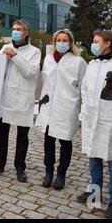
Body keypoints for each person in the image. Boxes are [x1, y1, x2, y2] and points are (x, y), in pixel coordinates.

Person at [77, 29, 112, 219]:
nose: (93, 44)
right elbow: (84, 90)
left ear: (107, 43)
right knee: (94, 160)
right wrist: (84, 111)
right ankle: (95, 193)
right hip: (92, 120)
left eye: (96, 41)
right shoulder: (92, 64)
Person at [0, 20, 41, 183]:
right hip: (4, 98)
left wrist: (15, 56)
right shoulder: (5, 47)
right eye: (13, 29)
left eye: (18, 29)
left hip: (22, 99)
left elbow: (30, 72)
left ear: (26, 32)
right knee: (2, 135)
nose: (15, 32)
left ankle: (20, 167)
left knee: (22, 137)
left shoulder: (35, 51)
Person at [35, 29, 87, 190]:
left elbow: (84, 86)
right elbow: (45, 80)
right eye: (59, 40)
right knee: (48, 141)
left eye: (65, 40)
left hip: (67, 107)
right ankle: (48, 172)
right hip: (49, 106)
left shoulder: (78, 62)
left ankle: (61, 174)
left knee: (65, 141)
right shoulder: (49, 59)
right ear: (54, 42)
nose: (62, 43)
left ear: (71, 43)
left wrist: (81, 106)